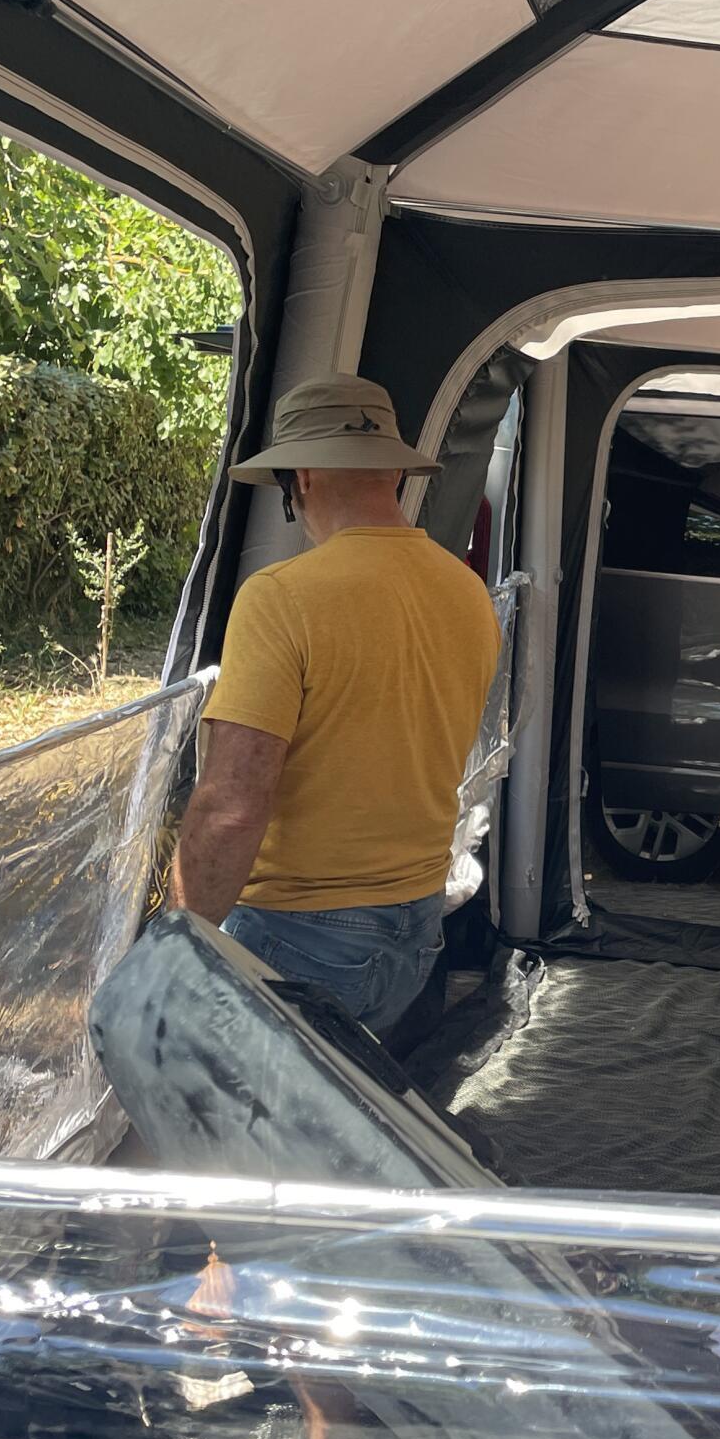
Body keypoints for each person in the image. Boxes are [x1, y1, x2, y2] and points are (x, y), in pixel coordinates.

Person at [173, 372, 501, 1043]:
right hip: (415, 929)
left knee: (222, 1104)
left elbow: (233, 805)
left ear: (301, 478)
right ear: (393, 472)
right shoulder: (467, 593)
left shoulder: (281, 597)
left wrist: (176, 940)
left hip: (299, 934)